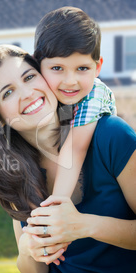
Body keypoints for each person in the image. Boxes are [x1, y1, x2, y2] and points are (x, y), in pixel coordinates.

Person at [0, 44, 136, 272]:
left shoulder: (111, 135)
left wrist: (85, 226)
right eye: (8, 92)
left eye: (29, 77)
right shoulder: (14, 172)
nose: (27, 93)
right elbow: (35, 267)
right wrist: (28, 250)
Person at [34, 7, 116, 199]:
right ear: (38, 65)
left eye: (82, 68)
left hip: (103, 182)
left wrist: (57, 203)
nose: (70, 81)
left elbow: (75, 149)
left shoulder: (95, 94)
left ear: (97, 67)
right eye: (57, 68)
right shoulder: (45, 96)